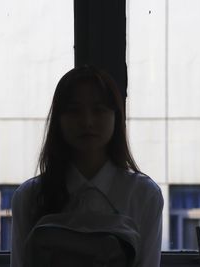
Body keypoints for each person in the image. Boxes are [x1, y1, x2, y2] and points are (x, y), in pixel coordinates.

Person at [11, 65, 164, 267]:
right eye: (74, 111)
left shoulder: (143, 194)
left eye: (99, 110)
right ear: (59, 120)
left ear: (116, 117)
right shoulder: (30, 196)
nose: (87, 121)